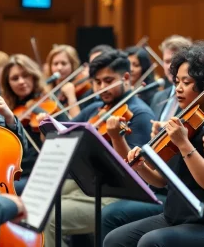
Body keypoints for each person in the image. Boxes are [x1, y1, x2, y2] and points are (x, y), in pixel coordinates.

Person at [104, 41, 204, 247]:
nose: (178, 88)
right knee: (115, 240)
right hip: (177, 216)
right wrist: (141, 167)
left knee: (151, 242)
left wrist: (183, 144)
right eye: (177, 81)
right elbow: (161, 181)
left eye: (186, 82)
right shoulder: (188, 118)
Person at [41, 50, 155, 247]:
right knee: (38, 202)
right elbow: (64, 131)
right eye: (97, 82)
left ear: (126, 78)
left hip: (114, 192)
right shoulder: (96, 108)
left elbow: (133, 171)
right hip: (90, 184)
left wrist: (115, 138)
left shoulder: (139, 113)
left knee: (50, 218)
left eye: (108, 80)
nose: (102, 87)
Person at [101, 35, 191, 242]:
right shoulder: (160, 97)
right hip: (157, 178)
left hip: (173, 191)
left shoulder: (189, 103)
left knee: (112, 215)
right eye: (167, 61)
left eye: (175, 62)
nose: (170, 67)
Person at [1, 54, 51, 195]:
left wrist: (45, 127)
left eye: (25, 75)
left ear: (33, 76)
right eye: (15, 78)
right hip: (13, 171)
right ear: (8, 83)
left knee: (5, 192)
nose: (21, 81)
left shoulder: (47, 104)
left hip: (38, 172)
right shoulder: (7, 111)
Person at [46, 44, 83, 117]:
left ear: (73, 65)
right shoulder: (48, 90)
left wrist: (71, 96)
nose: (59, 67)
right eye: (55, 64)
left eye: (64, 63)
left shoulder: (82, 90)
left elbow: (77, 121)